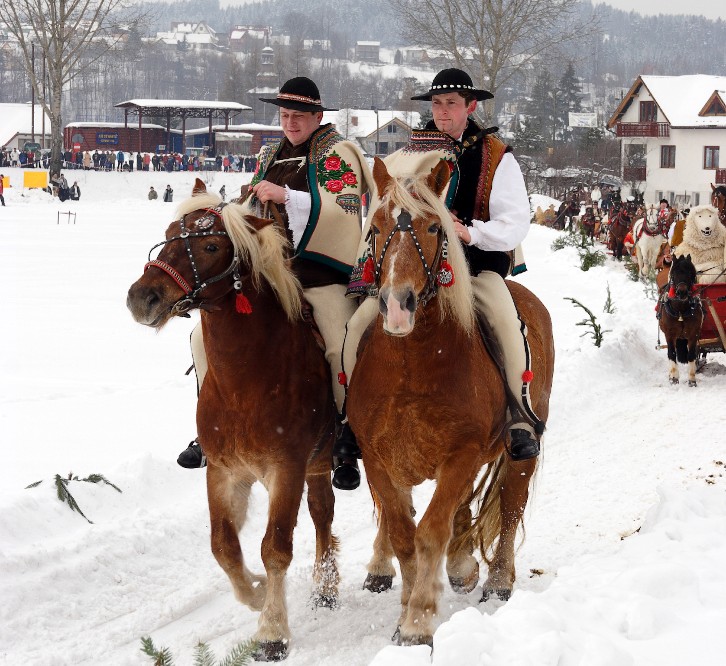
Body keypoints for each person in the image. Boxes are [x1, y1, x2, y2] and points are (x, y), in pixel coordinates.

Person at [341, 68, 544, 475]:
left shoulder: (495, 156)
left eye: (452, 102)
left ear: (471, 106)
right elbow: (382, 213)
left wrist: (469, 231)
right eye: (437, 103)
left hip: (473, 271)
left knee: (506, 318)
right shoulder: (406, 157)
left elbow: (516, 221)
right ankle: (347, 421)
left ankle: (518, 412)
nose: (443, 111)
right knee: (357, 324)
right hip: (412, 274)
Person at [176, 77, 372, 492]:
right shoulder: (269, 153)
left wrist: (289, 197)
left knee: (340, 340)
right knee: (200, 336)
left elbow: (343, 209)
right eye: (284, 115)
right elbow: (253, 207)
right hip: (270, 277)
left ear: (318, 116)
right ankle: (211, 427)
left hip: (319, 275)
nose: (291, 123)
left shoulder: (339, 152)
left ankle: (346, 432)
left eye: (299, 116)